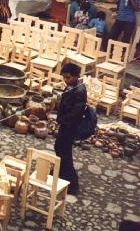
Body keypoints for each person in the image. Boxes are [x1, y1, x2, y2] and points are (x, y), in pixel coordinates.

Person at [56, 63, 86, 195]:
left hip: (70, 126)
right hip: (65, 124)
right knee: (59, 147)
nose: (65, 80)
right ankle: (60, 172)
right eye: (64, 77)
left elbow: (76, 112)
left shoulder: (79, 90)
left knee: (65, 152)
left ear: (75, 76)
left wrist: (63, 120)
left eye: (67, 77)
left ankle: (72, 183)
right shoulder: (71, 85)